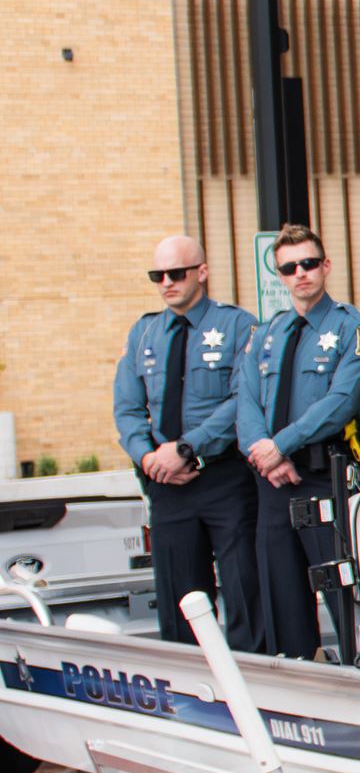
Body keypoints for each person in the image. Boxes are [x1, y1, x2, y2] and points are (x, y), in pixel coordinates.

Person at [111, 235, 260, 648]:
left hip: (224, 478)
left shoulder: (236, 325)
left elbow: (241, 401)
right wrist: (148, 458)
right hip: (166, 484)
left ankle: (256, 681)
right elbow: (127, 408)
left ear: (202, 272)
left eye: (176, 273)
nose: (166, 283)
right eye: (157, 275)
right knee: (179, 597)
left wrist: (187, 447)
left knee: (244, 588)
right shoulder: (144, 333)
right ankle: (190, 692)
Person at [234, 225, 360, 659]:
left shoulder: (352, 327)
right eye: (290, 268)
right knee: (282, 599)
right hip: (273, 483)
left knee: (342, 597)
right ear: (280, 275)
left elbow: (341, 401)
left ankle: (358, 672)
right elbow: (246, 401)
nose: (301, 274)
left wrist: (282, 445)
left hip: (320, 477)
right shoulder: (266, 334)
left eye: (309, 264)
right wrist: (267, 455)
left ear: (326, 266)